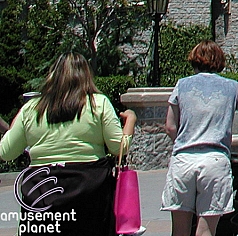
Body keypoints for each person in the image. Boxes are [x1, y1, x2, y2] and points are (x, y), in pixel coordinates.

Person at [0, 53, 137, 236]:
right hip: (90, 191)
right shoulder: (98, 103)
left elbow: (6, 152)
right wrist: (130, 121)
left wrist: (18, 119)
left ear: (52, 76)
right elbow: (119, 148)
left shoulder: (32, 108)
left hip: (42, 192)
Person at [162, 41, 238, 236]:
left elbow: (169, 126)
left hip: (183, 158)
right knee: (206, 230)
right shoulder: (233, 87)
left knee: (180, 231)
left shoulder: (182, 84)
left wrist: (183, 141)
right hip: (215, 159)